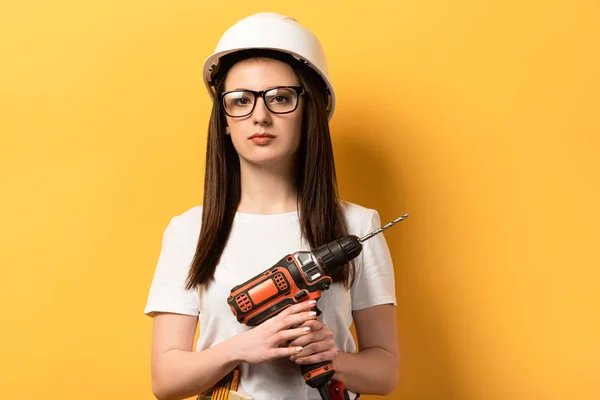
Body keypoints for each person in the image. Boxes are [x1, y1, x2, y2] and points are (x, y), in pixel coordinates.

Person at [144, 12, 399, 400]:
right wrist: (243, 348)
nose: (259, 116)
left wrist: (329, 356)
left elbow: (385, 373)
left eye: (280, 98)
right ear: (225, 120)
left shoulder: (357, 225)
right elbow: (166, 380)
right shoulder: (188, 231)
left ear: (308, 110)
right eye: (241, 101)